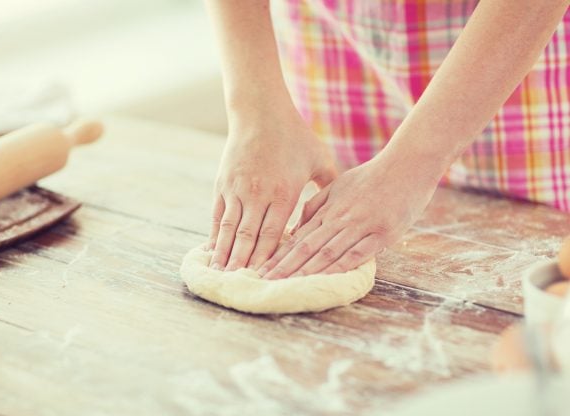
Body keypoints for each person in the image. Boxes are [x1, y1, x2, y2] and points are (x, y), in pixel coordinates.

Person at [204, 0, 570, 280]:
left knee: (532, 272)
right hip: (337, 39)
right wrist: (255, 108)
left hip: (505, 49)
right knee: (343, 233)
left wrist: (415, 161)